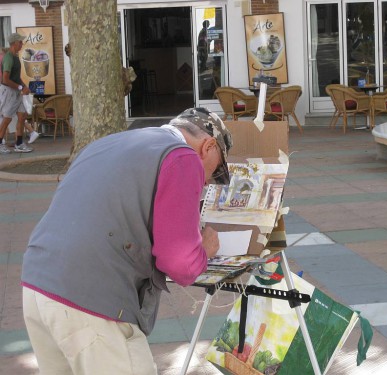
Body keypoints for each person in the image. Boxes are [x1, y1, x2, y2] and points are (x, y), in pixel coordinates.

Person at [21, 107, 233, 374]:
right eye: (214, 172)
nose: (207, 181)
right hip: (92, 299)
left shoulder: (110, 143)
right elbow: (181, 264)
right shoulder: (183, 158)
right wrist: (204, 249)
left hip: (37, 284)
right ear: (209, 146)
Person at [0, 33, 34, 154]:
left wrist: (24, 86)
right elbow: (5, 79)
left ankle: (19, 143)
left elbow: (16, 77)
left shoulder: (15, 56)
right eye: (20, 42)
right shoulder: (9, 57)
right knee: (7, 118)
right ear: (14, 43)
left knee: (22, 115)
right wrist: (21, 87)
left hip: (16, 91)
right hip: (9, 91)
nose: (22, 44)